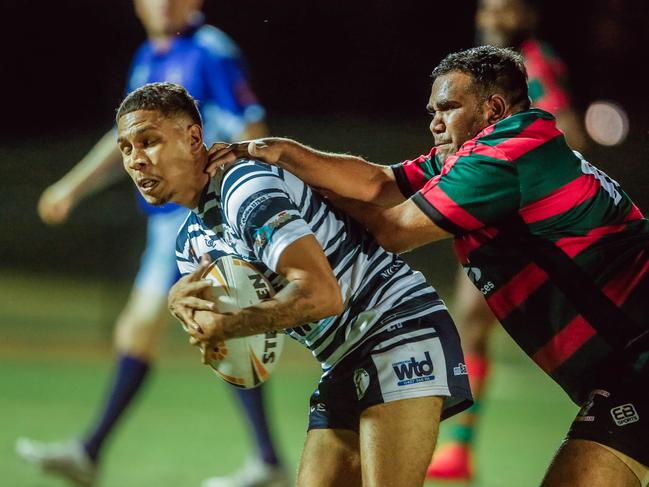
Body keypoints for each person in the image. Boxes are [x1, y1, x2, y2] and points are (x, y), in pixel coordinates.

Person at [209, 46, 649, 487]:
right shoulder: (500, 148)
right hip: (623, 365)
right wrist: (280, 154)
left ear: (493, 108)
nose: (435, 122)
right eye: (432, 110)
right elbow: (379, 183)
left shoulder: (502, 161)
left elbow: (392, 229)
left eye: (448, 108)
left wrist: (285, 195)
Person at [117, 81, 473, 487]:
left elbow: (321, 294)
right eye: (126, 149)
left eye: (149, 141)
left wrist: (230, 325)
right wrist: (198, 320)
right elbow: (248, 359)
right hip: (340, 357)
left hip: (397, 330)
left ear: (194, 137)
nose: (137, 160)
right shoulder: (191, 243)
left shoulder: (243, 188)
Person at [15, 2, 287, 487]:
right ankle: (263, 460)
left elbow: (252, 128)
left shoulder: (210, 51)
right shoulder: (150, 57)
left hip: (203, 214)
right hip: (170, 222)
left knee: (188, 326)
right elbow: (125, 138)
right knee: (161, 330)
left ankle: (93, 452)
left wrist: (243, 194)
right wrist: (73, 187)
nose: (163, 4)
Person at [427, 0, 591, 480]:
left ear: (526, 17)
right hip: (504, 223)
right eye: (487, 9)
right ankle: (458, 450)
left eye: (504, 10)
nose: (492, 19)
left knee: (553, 336)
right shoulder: (494, 72)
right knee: (472, 324)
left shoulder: (531, 65)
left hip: (526, 226)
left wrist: (522, 177)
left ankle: (459, 448)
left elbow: (571, 131)